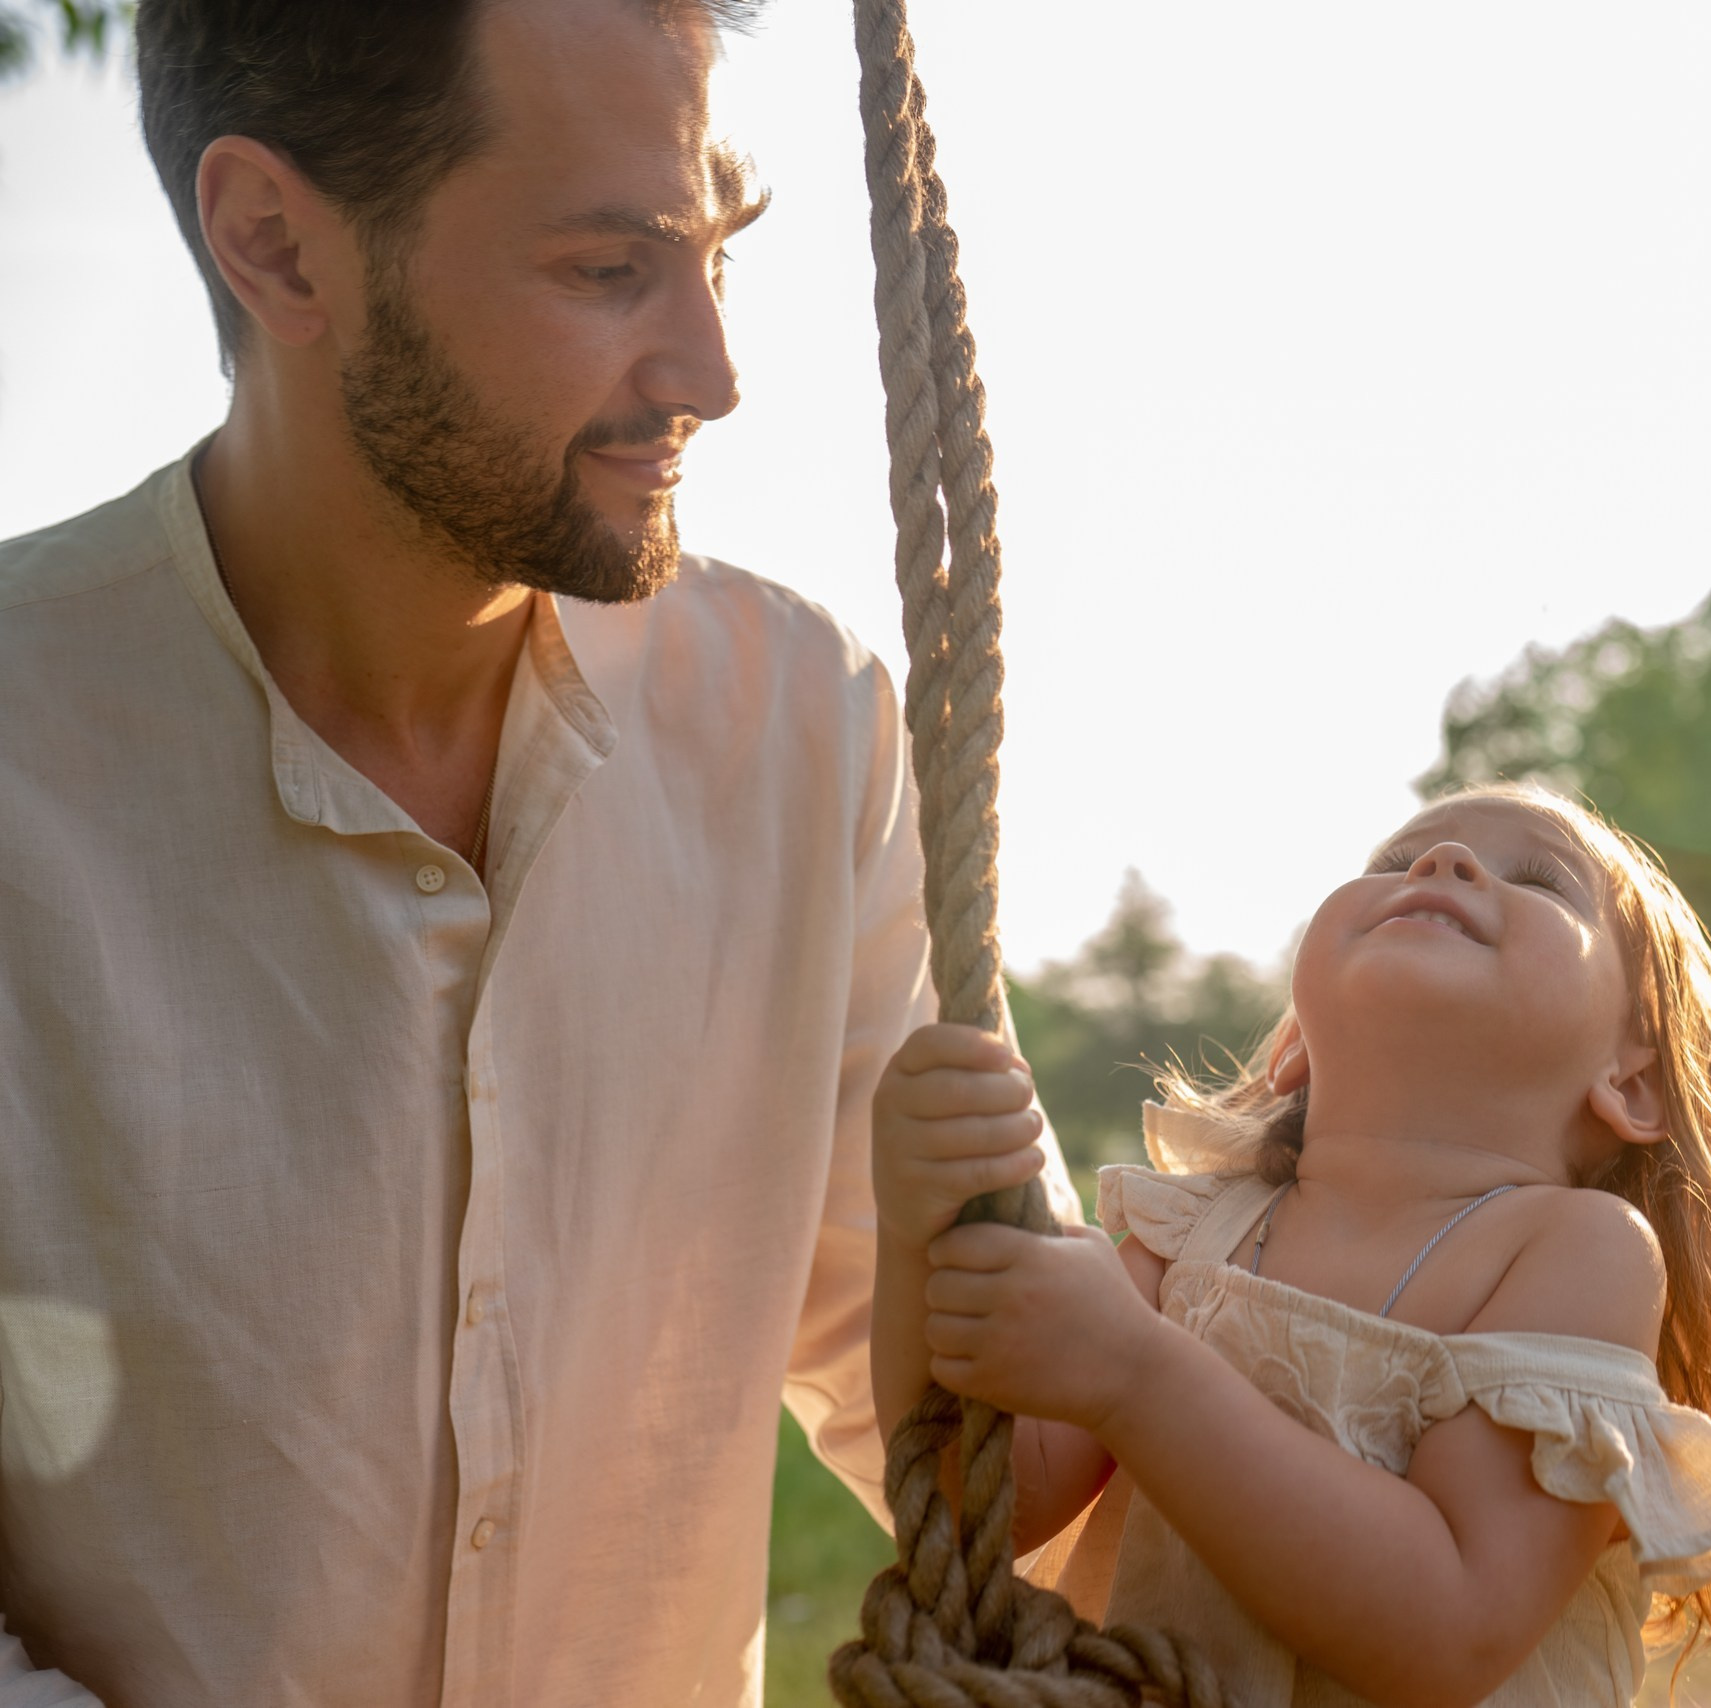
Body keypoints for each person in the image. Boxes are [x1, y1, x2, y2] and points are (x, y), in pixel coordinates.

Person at [0, 1, 1070, 1702]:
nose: (713, 375)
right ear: (276, 245)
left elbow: (1001, 1450)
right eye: (608, 271)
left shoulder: (815, 730)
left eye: (719, 254)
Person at [872, 783, 1711, 1706]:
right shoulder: (1190, 1233)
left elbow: (1448, 1629)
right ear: (1292, 1046)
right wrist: (918, 1226)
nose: (1441, 862)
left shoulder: (1574, 1253)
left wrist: (1135, 1376)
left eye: (1537, 880)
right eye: (1397, 861)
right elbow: (984, 1508)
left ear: (1634, 1083)